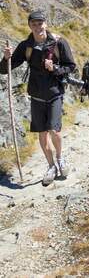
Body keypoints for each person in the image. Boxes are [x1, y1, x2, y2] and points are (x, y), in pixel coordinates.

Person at [0, 10, 76, 186]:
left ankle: (60, 158)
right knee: (42, 134)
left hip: (55, 93)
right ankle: (51, 167)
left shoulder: (59, 42)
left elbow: (71, 66)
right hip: (36, 96)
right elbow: (4, 69)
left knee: (54, 131)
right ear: (30, 26)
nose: (37, 27)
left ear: (46, 24)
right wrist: (6, 58)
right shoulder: (26, 46)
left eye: (40, 23)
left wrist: (55, 69)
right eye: (33, 24)